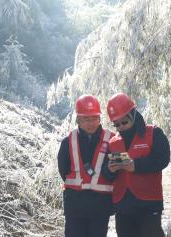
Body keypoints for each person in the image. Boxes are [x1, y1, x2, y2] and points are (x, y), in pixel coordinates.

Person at [105, 93, 170, 237]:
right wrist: (110, 170)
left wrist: (136, 165)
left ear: (133, 114)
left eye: (124, 122)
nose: (121, 127)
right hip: (122, 207)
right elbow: (107, 174)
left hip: (148, 204)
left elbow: (163, 159)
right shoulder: (113, 142)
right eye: (117, 124)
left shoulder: (154, 133)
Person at [57, 95, 114, 237]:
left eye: (94, 118)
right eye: (86, 119)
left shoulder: (112, 140)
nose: (91, 123)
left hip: (100, 206)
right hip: (75, 206)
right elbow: (63, 169)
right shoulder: (67, 141)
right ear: (78, 120)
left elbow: (117, 172)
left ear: (99, 119)